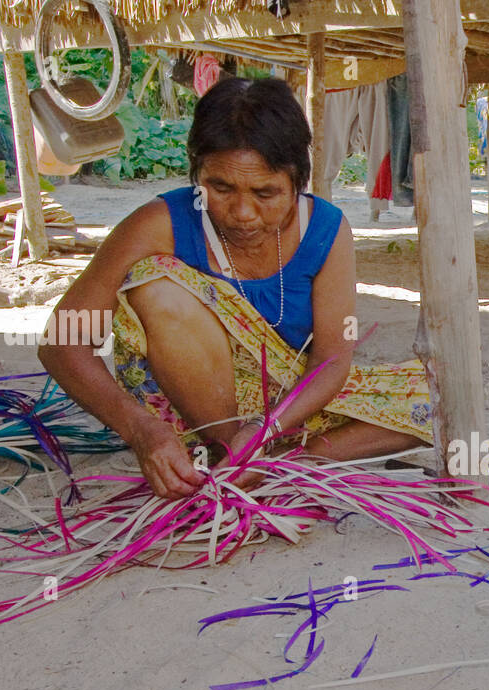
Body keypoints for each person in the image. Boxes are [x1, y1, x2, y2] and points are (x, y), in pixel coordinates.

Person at [40, 77, 432, 499]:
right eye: (220, 188)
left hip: (287, 410)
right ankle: (232, 451)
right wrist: (141, 430)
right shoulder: (159, 224)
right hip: (189, 418)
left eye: (266, 192)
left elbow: (332, 361)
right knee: (159, 287)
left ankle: (286, 464)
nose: (243, 213)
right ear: (197, 172)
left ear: (298, 180)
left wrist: (267, 428)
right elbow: (62, 341)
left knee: (435, 394)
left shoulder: (326, 231)